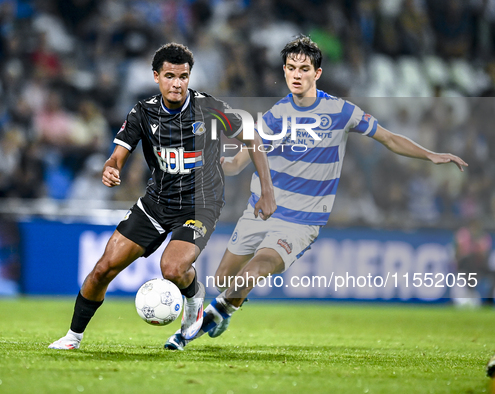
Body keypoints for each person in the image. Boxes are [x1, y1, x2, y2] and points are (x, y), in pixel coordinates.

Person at [164, 35, 468, 350]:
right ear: (284, 71)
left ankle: (193, 331)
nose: (297, 74)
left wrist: (430, 154)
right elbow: (241, 162)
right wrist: (219, 161)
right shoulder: (274, 116)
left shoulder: (341, 111)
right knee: (225, 280)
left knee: (256, 269)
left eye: (305, 68)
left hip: (302, 221)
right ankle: (227, 308)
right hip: (260, 211)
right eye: (291, 68)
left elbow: (389, 138)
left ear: (317, 73)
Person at [49, 43, 276, 350]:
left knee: (172, 268)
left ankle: (192, 294)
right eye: (170, 75)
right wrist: (111, 169)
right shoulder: (143, 112)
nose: (177, 83)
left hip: (200, 204)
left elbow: (252, 136)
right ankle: (72, 338)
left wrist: (266, 189)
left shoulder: (208, 109)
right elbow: (117, 156)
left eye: (183, 76)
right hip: (156, 203)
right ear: (156, 76)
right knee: (103, 268)